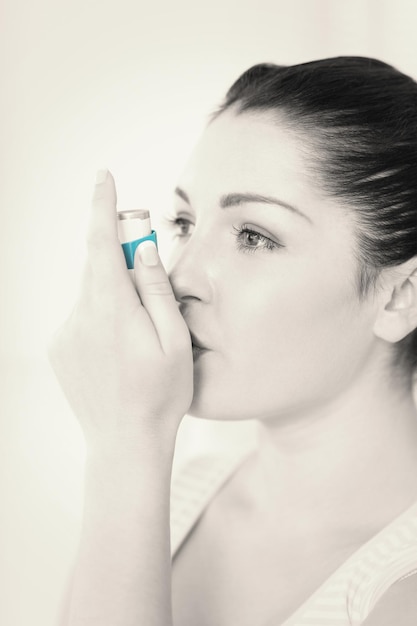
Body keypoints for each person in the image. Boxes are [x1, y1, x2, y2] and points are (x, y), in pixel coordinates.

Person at [49, 56, 417, 626]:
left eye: (253, 235)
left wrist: (126, 445)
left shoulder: (401, 592)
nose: (179, 279)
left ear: (400, 296)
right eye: (184, 224)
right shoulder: (170, 497)